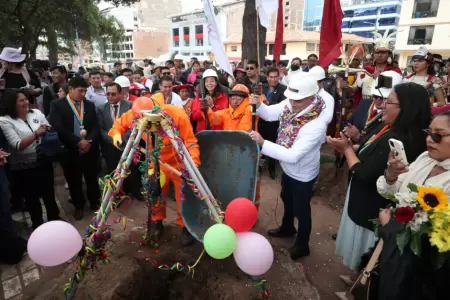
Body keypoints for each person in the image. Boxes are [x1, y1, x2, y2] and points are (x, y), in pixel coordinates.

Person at [327, 82, 431, 273]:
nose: (381, 105)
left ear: (404, 108)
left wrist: (347, 150)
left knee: (368, 260)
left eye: (388, 101)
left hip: (372, 205)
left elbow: (365, 174)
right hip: (367, 200)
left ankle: (361, 285)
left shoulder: (402, 139)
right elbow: (370, 147)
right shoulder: (391, 127)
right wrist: (354, 145)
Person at [248, 74, 329, 260]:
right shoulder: (290, 103)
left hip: (303, 173)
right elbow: (269, 114)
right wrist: (259, 105)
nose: (292, 103)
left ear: (311, 98)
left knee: (302, 210)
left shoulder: (316, 124)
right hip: (288, 168)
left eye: (298, 101)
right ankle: (287, 227)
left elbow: (293, 155)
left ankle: (302, 245)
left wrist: (263, 143)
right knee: (286, 197)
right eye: (290, 98)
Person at [375, 111, 450, 300]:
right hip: (395, 246)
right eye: (428, 132)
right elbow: (392, 192)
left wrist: (391, 226)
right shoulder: (426, 158)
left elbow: (436, 231)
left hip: (421, 267)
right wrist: (391, 175)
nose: (429, 140)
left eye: (438, 135)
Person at [109, 97, 199, 246]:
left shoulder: (177, 114)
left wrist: (193, 165)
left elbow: (190, 142)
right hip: (155, 160)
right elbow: (119, 124)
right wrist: (117, 134)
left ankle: (185, 226)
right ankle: (157, 223)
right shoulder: (137, 113)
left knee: (183, 197)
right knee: (154, 193)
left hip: (178, 162)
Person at [0, 90, 60, 229]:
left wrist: (46, 129)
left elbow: (48, 127)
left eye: (26, 99)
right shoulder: (5, 121)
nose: (26, 102)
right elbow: (17, 145)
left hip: (44, 160)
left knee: (49, 194)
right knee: (32, 199)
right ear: (11, 103)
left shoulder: (36, 113)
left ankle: (55, 221)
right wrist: (36, 134)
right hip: (24, 167)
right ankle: (38, 225)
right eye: (21, 100)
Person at [48, 76, 101, 220]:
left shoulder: (89, 105)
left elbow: (96, 126)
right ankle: (79, 206)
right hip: (70, 149)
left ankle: (94, 202)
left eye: (85, 91)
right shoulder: (58, 105)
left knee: (91, 177)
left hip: (89, 149)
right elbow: (58, 127)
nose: (83, 94)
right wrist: (78, 142)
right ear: (70, 89)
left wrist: (89, 142)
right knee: (73, 179)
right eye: (80, 91)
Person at [97, 82, 141, 200]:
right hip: (110, 147)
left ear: (121, 94)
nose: (110, 97)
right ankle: (117, 194)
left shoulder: (131, 106)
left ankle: (135, 191)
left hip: (127, 145)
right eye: (108, 94)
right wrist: (112, 139)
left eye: (113, 94)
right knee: (113, 170)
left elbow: (134, 125)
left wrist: (123, 138)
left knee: (131, 169)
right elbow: (101, 129)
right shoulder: (101, 109)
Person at [258, 67, 287, 179]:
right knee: (260, 145)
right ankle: (261, 166)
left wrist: (268, 103)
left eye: (275, 77)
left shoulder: (284, 89)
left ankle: (272, 169)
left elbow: (282, 106)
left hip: (275, 124)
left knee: (272, 145)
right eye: (271, 77)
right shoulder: (262, 88)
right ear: (267, 77)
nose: (273, 79)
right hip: (261, 123)